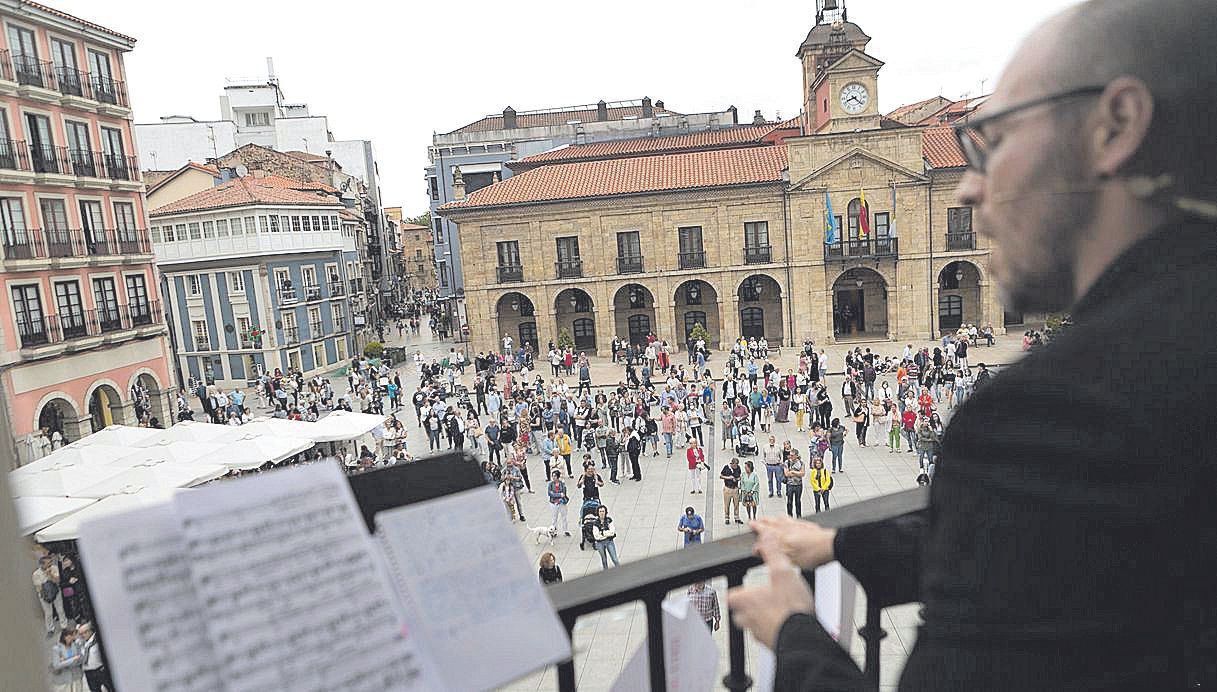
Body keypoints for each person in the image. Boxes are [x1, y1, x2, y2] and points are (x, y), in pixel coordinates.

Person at [729, 2, 1217, 687]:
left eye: (991, 139)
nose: (967, 186)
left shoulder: (1057, 411)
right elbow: (1045, 538)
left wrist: (793, 631)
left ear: (1115, 127)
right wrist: (842, 545)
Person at [34, 555, 66, 635]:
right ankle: (50, 629)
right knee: (48, 613)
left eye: (51, 562)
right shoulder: (36, 574)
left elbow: (57, 581)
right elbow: (38, 587)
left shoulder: (54, 568)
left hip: (56, 592)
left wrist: (50, 575)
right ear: (42, 564)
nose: (50, 564)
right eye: (48, 563)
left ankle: (64, 626)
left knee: (60, 610)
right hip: (44, 595)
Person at [77, 623, 110, 692]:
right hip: (89, 673)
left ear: (90, 631)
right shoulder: (79, 643)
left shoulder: (97, 640)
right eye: (80, 634)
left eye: (85, 632)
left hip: (101, 671)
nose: (82, 635)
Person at [49, 628, 82, 692]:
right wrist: (72, 659)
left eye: (72, 637)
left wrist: (64, 661)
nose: (71, 639)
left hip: (76, 675)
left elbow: (80, 658)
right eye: (69, 637)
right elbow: (56, 665)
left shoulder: (76, 645)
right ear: (64, 637)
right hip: (65, 677)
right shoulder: (57, 648)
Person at [591, 505, 620, 569]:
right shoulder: (595, 523)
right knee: (604, 560)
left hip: (609, 541)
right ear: (598, 513)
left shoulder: (609, 520)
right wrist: (607, 534)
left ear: (605, 512)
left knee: (615, 559)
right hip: (599, 543)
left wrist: (603, 533)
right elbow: (596, 536)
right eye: (600, 511)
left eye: (603, 511)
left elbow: (612, 532)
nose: (602, 513)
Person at [546, 470, 571, 537]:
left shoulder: (562, 484)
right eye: (552, 476)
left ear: (558, 476)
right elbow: (550, 493)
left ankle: (565, 530)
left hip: (561, 502)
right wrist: (559, 494)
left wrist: (557, 495)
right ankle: (554, 531)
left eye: (555, 476)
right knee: (554, 518)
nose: (553, 477)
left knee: (564, 517)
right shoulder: (550, 484)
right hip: (553, 503)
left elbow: (564, 493)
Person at [782, 449, 805, 518]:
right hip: (790, 485)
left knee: (798, 501)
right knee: (789, 502)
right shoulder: (787, 462)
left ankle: (799, 515)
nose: (790, 456)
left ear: (796, 456)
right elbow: (786, 474)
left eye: (792, 455)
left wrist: (793, 472)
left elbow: (803, 474)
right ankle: (790, 516)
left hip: (798, 485)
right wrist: (798, 473)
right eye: (790, 455)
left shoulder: (801, 463)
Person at [720, 456, 743, 524]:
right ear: (732, 463)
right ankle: (727, 517)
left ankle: (736, 517)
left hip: (735, 488)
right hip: (728, 488)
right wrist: (728, 478)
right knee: (727, 504)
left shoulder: (738, 468)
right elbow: (721, 476)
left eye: (736, 465)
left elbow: (739, 476)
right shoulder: (726, 467)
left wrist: (738, 479)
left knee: (736, 504)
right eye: (734, 465)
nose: (735, 466)